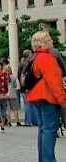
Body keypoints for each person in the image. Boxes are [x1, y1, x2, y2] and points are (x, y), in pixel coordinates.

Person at [26, 32, 66, 162]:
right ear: (43, 41)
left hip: (36, 97)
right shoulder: (47, 58)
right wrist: (62, 100)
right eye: (49, 38)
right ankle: (49, 159)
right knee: (50, 129)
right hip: (48, 96)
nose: (52, 40)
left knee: (43, 129)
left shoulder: (35, 57)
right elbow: (54, 82)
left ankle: (43, 159)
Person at [20, 49, 39, 127]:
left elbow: (20, 75)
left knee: (29, 104)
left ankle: (29, 121)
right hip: (29, 86)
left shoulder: (22, 64)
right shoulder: (30, 63)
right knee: (32, 104)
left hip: (26, 86)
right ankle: (33, 121)